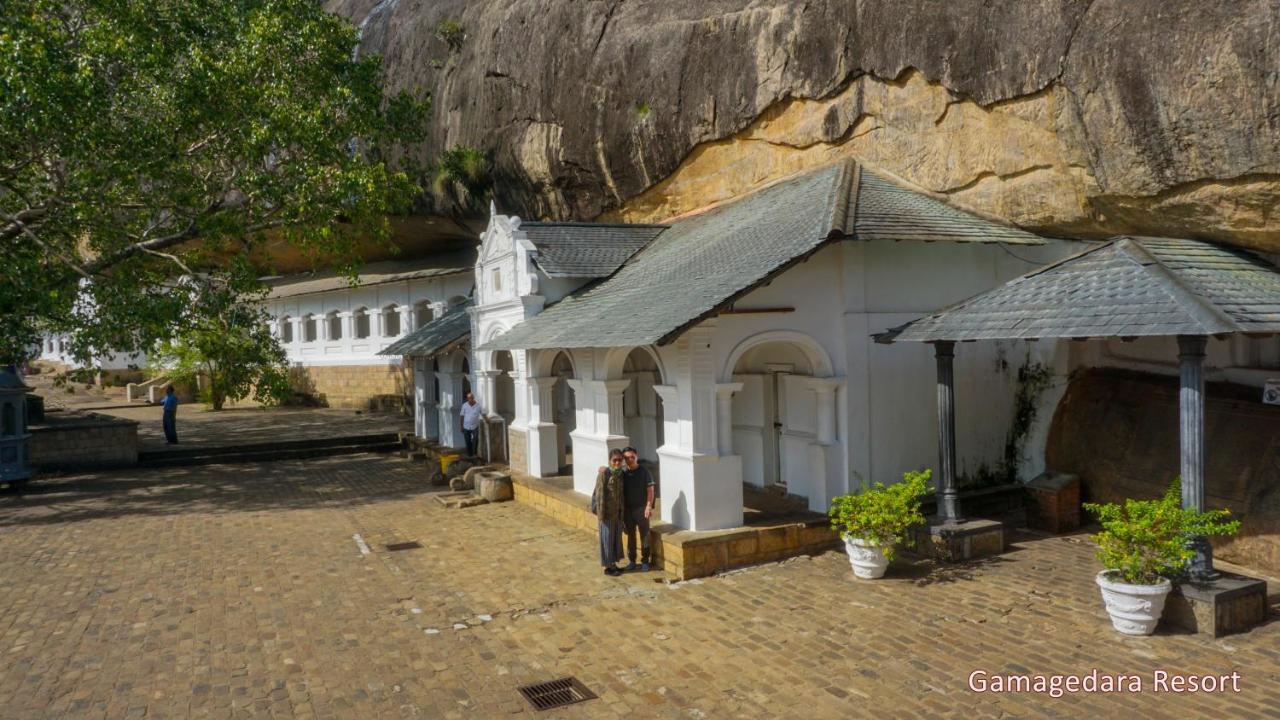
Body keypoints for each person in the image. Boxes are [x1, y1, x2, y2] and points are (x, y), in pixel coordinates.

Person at [590, 448, 626, 576]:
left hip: (617, 514)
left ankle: (613, 564)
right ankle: (608, 567)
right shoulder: (604, 474)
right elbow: (599, 495)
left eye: (619, 460)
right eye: (614, 460)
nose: (617, 463)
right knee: (607, 540)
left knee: (615, 540)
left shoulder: (621, 474)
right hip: (606, 515)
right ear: (610, 461)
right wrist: (601, 515)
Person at [621, 447, 656, 572]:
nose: (630, 459)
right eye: (626, 458)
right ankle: (632, 561)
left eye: (632, 457)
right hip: (628, 510)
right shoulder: (623, 473)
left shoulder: (644, 471)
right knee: (630, 536)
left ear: (636, 456)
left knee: (644, 535)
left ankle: (645, 561)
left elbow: (650, 490)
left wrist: (648, 506)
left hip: (641, 509)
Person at [459, 392, 483, 457]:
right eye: (469, 398)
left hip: (475, 426)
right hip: (466, 426)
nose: (470, 399)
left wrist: (487, 419)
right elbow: (462, 416)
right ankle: (469, 454)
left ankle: (474, 453)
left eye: (471, 398)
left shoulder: (478, 406)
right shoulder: (464, 405)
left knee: (475, 439)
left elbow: (483, 413)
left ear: (473, 398)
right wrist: (461, 426)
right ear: (467, 399)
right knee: (467, 441)